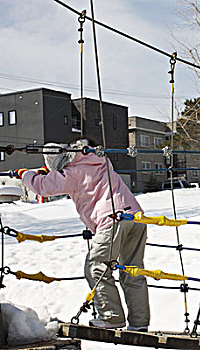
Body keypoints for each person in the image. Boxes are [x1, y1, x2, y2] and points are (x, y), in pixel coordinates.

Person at [12, 137, 150, 331]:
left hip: (112, 219)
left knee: (96, 267)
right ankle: (139, 322)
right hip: (135, 217)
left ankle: (111, 317)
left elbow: (43, 187)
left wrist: (24, 174)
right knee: (132, 271)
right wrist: (53, 171)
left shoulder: (72, 172)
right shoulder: (99, 159)